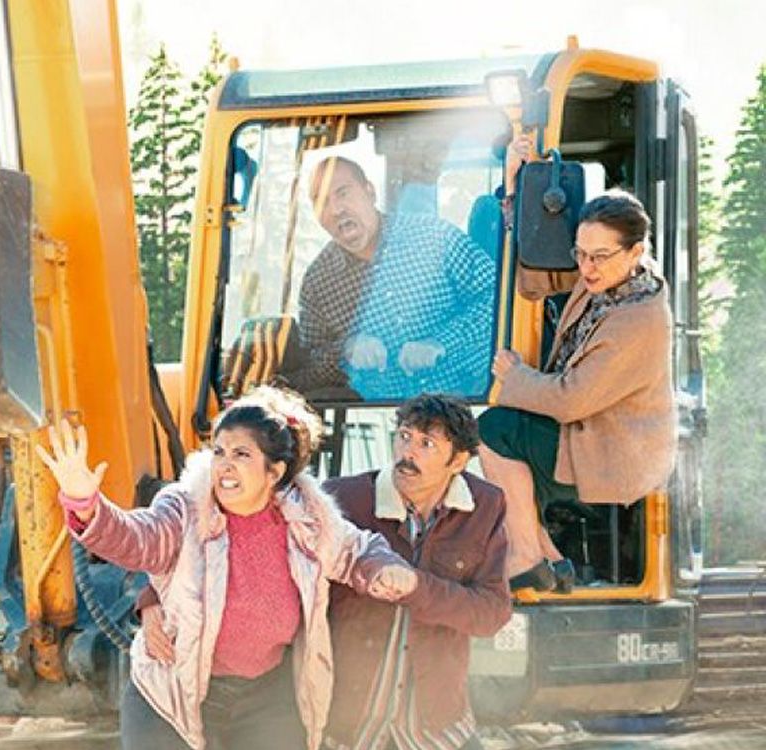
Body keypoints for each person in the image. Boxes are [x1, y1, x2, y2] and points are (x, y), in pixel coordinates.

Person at [35, 386, 415, 750]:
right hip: (173, 692)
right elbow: (139, 540)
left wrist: (383, 569)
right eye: (219, 452)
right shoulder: (184, 508)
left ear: (275, 472)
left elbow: (355, 551)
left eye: (242, 455)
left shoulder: (309, 519)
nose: (225, 466)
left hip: (265, 697)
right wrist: (87, 505)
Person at [141, 394, 511, 750]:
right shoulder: (340, 500)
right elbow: (232, 532)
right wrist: (153, 597)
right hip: (348, 722)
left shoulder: (485, 507)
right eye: (404, 437)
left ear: (459, 460)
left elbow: (492, 613)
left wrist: (417, 587)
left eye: (427, 444)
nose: (407, 453)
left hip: (433, 723)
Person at [477, 190, 675, 591]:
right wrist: (515, 199)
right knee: (510, 464)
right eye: (580, 253)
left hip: (614, 453)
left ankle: (528, 554)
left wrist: (515, 378)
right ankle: (549, 559)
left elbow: (570, 401)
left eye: (598, 256)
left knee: (494, 430)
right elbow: (537, 280)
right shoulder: (609, 279)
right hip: (590, 434)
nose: (586, 266)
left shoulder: (639, 319)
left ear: (635, 251)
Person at [281, 156, 497, 400]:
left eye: (342, 193)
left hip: (468, 408)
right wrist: (346, 351)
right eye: (321, 202)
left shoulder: (434, 237)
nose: (335, 210)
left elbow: (497, 301)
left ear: (369, 192)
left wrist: (441, 344)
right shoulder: (317, 283)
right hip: (385, 422)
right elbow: (309, 368)